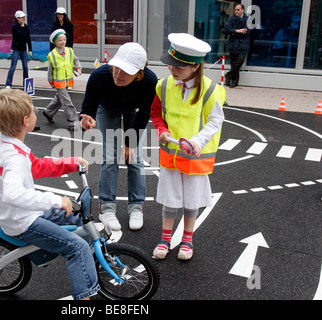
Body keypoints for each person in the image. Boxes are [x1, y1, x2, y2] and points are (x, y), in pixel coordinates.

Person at [0, 88, 99, 300]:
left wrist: (70, 163)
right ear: (26, 120)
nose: (37, 113)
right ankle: (85, 297)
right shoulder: (14, 157)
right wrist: (56, 201)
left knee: (78, 217)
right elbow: (13, 194)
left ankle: (88, 268)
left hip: (22, 214)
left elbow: (36, 167)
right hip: (23, 222)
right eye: (34, 110)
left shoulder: (8, 146)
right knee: (78, 248)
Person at [150, 33, 225, 261]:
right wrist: (161, 130)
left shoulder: (211, 89)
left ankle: (187, 239)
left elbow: (215, 121)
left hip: (194, 157)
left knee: (191, 200)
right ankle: (165, 238)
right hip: (170, 156)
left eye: (179, 67)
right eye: (171, 64)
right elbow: (155, 113)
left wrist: (196, 142)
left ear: (195, 67)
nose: (172, 70)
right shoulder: (163, 86)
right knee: (169, 198)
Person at [79, 43, 157, 231]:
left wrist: (130, 144)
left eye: (125, 71)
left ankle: (136, 207)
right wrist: (86, 117)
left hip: (134, 110)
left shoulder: (149, 81)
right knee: (110, 157)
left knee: (135, 158)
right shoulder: (99, 75)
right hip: (106, 108)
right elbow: (89, 104)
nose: (118, 74)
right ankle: (106, 209)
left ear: (139, 73)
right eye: (116, 68)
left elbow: (145, 114)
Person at [43, 29, 81, 131]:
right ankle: (72, 122)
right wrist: (50, 81)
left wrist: (78, 68)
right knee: (67, 102)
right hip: (58, 82)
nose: (63, 42)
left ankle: (48, 112)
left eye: (64, 39)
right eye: (60, 40)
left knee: (59, 99)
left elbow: (75, 60)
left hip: (67, 80)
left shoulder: (69, 51)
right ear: (55, 42)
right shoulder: (52, 54)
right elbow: (50, 70)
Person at [224, 3, 250, 88]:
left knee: (238, 63)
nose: (236, 11)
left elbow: (246, 32)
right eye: (235, 10)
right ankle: (234, 81)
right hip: (233, 45)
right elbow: (226, 29)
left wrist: (233, 32)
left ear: (243, 10)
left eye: (238, 10)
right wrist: (238, 31)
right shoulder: (232, 19)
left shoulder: (248, 20)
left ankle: (228, 75)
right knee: (233, 63)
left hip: (242, 46)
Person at [5, 10, 32, 89]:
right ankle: (8, 84)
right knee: (13, 67)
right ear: (17, 18)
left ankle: (26, 83)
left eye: (24, 17)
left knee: (25, 67)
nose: (23, 19)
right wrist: (23, 26)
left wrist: (30, 49)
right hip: (15, 49)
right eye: (21, 18)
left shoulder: (26, 26)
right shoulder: (14, 27)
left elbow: (28, 38)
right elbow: (20, 34)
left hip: (23, 50)